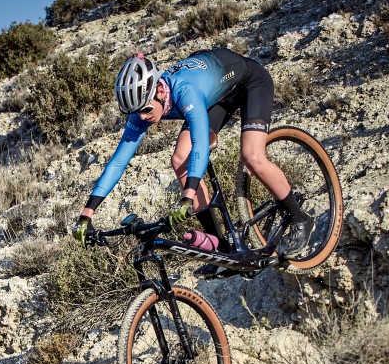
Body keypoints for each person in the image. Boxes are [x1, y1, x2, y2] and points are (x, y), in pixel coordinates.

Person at [71, 49, 313, 267]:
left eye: (145, 110)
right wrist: (87, 213)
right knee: (179, 160)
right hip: (217, 96)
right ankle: (220, 248)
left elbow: (200, 143)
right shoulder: (143, 109)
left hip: (250, 83)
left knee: (252, 155)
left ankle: (300, 219)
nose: (142, 117)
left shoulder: (184, 91)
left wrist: (188, 195)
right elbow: (118, 161)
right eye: (135, 113)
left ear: (159, 90)